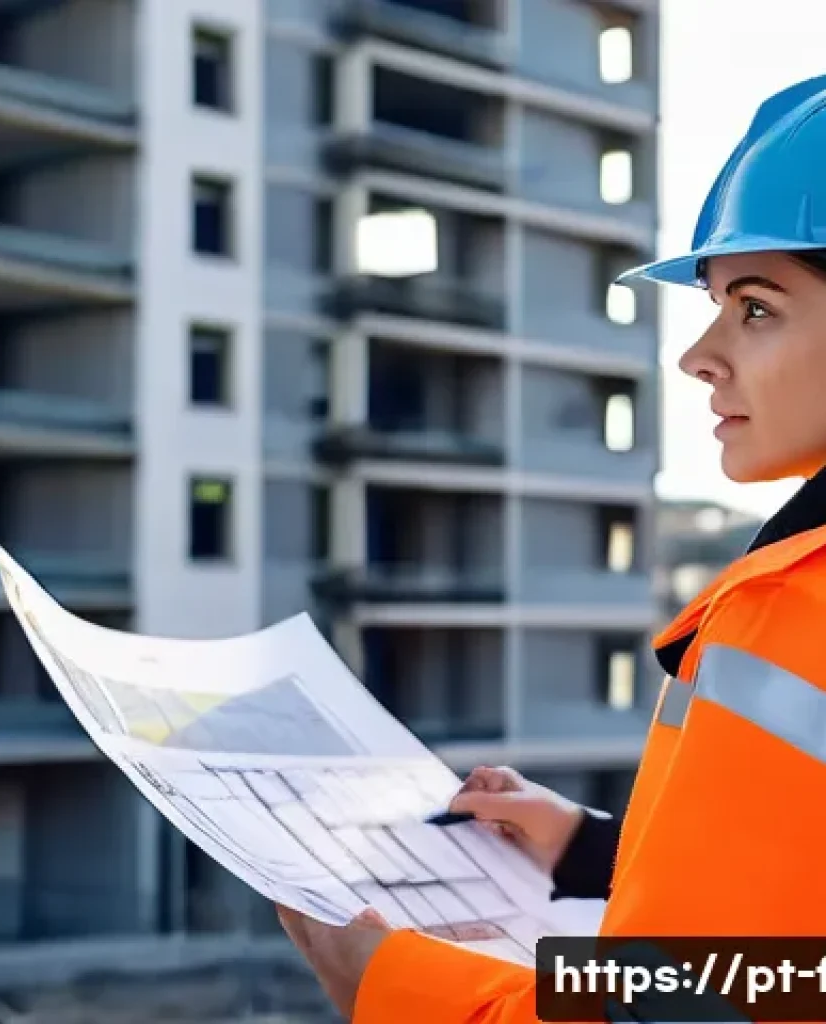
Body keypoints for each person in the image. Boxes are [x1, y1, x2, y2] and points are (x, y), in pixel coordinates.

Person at [277, 71, 826, 1022]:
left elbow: (686, 1013)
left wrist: (390, 982)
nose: (700, 353)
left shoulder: (794, 611)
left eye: (757, 306)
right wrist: (595, 853)